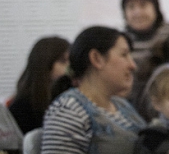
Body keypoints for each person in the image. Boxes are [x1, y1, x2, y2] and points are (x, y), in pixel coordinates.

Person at [41, 26, 146, 154]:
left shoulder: (121, 105)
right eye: (124, 55)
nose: (132, 65)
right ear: (97, 58)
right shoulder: (68, 110)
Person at [8, 36, 70, 134]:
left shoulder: (67, 98)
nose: (69, 67)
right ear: (45, 64)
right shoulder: (22, 107)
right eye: (63, 61)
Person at [122, 0, 169, 67]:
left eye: (143, 5)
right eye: (131, 6)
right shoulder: (120, 41)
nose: (138, 13)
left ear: (156, 7)